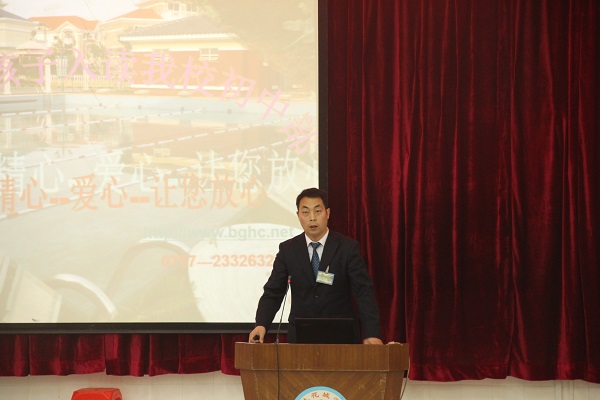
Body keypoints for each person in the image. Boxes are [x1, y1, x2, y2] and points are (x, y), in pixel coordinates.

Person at [248, 188, 383, 345]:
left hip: (341, 335)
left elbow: (363, 292)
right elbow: (273, 292)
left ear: (327, 213)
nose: (312, 218)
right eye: (305, 212)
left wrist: (372, 333)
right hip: (300, 336)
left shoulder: (347, 248)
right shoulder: (288, 250)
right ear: (298, 215)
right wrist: (261, 324)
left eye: (317, 211)